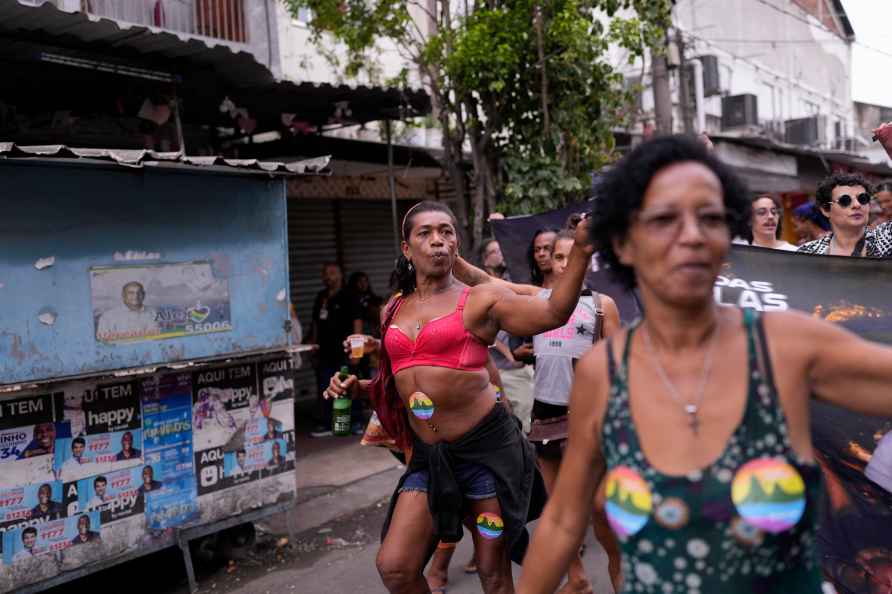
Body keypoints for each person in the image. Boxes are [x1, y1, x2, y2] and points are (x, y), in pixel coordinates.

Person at [517, 134, 892, 594]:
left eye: (710, 217)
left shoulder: (786, 346)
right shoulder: (605, 373)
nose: (691, 235)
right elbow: (561, 521)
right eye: (664, 218)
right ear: (624, 242)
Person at [325, 200, 593, 594]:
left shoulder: (479, 299)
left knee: (493, 574)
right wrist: (358, 387)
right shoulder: (392, 310)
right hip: (431, 459)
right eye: (425, 233)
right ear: (406, 248)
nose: (438, 240)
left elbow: (553, 311)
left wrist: (583, 251)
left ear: (456, 243)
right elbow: (402, 380)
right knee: (396, 566)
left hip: (486, 457)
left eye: (446, 232)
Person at [527, 229, 622, 594]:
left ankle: (620, 574)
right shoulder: (536, 300)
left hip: (587, 419)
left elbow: (618, 366)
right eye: (560, 256)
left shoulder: (601, 305)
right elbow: (486, 285)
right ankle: (577, 578)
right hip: (545, 416)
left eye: (573, 255)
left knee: (601, 511)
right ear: (550, 260)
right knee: (557, 511)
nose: (567, 263)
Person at [309, 262, 357, 437]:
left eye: (332, 273)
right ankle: (327, 423)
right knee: (325, 387)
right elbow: (315, 323)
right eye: (325, 273)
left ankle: (356, 421)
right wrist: (314, 345)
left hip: (344, 351)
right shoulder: (321, 297)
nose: (328, 276)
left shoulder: (349, 295)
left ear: (340, 275)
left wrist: (356, 351)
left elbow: (357, 322)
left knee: (349, 386)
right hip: (325, 352)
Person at [798, 173, 891, 257]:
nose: (857, 205)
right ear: (826, 210)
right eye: (845, 200)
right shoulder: (809, 252)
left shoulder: (886, 238)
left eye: (862, 199)